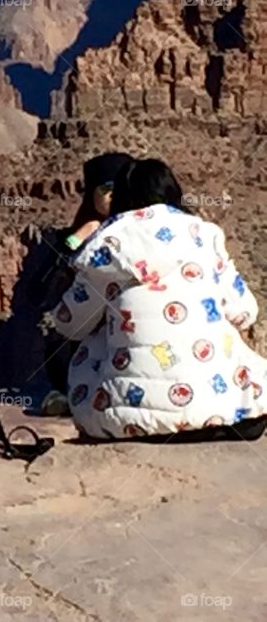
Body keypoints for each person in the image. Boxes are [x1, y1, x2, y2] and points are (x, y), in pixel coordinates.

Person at [53, 158, 267, 441]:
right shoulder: (204, 236)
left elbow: (69, 325)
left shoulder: (105, 246)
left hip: (121, 420)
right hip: (222, 411)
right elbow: (245, 313)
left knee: (101, 331)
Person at [36, 152, 134, 414]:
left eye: (119, 189)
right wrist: (79, 237)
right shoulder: (81, 230)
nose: (113, 196)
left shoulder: (140, 228)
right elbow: (53, 271)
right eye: (106, 189)